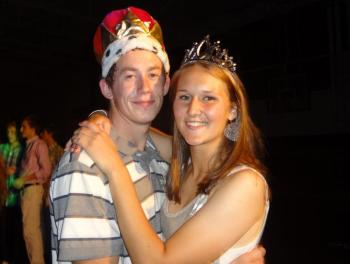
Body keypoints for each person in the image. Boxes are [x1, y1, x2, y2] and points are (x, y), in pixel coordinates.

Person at [50, 6, 265, 264]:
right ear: (107, 88)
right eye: (130, 76)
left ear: (164, 86)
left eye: (153, 75)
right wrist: (100, 117)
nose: (145, 88)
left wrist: (104, 127)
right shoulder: (87, 165)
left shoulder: (164, 162)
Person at [15, 115, 51, 264]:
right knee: (30, 232)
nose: (21, 129)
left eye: (24, 126)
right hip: (26, 191)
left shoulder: (39, 145)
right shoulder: (28, 146)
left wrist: (25, 179)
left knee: (31, 232)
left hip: (33, 190)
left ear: (32, 128)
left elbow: (46, 170)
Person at [0, 121, 26, 264]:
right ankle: (5, 257)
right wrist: (4, 169)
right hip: (3, 194)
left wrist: (16, 171)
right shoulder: (3, 148)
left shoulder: (22, 149)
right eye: (8, 132)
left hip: (15, 195)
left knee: (15, 228)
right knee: (4, 229)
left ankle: (13, 258)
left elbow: (25, 168)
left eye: (12, 132)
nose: (10, 135)